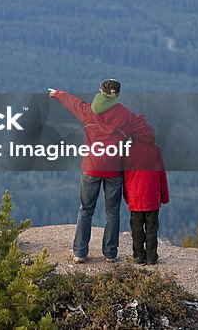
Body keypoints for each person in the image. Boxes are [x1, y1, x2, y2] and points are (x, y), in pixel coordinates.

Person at [49, 79, 155, 263]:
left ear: (100, 91)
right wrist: (141, 119)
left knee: (85, 210)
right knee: (112, 213)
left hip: (90, 168)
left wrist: (57, 93)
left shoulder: (88, 111)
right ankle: (110, 253)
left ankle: (80, 253)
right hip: (113, 171)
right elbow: (148, 135)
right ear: (118, 94)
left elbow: (73, 102)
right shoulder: (127, 117)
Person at [124, 138, 169, 265]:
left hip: (135, 196)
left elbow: (125, 175)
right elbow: (162, 174)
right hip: (152, 197)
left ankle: (138, 256)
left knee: (137, 228)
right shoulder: (155, 150)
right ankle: (151, 257)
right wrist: (164, 197)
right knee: (152, 228)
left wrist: (126, 196)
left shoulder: (129, 150)